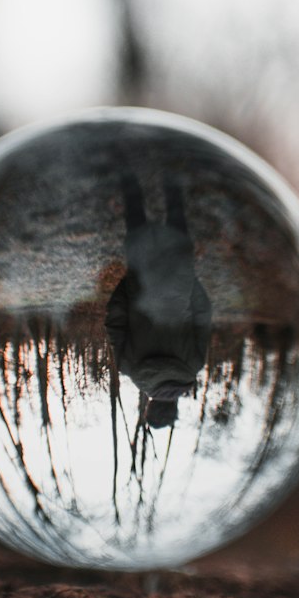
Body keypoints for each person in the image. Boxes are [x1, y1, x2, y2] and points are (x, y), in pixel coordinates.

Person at [105, 171, 212, 428]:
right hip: (139, 283)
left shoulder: (193, 366)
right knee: (136, 221)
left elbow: (203, 314)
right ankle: (126, 169)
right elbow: (114, 323)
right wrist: (126, 286)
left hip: (179, 283)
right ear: (151, 405)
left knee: (177, 223)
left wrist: (190, 284)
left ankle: (170, 174)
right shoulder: (129, 368)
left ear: (173, 405)